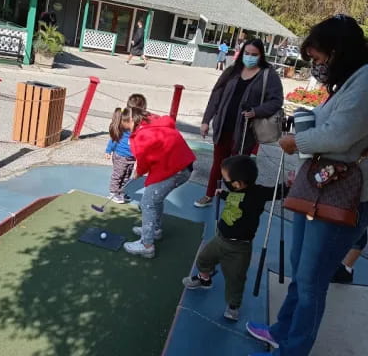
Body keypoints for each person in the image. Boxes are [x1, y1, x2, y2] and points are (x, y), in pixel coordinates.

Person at [246, 15, 368, 356]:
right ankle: (282, 331)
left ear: (337, 51)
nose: (317, 66)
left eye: (318, 59)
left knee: (312, 282)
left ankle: (294, 348)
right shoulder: (349, 82)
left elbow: (339, 135)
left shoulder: (366, 81)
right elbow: (331, 130)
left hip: (343, 198)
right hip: (317, 187)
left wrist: (296, 142)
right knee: (302, 270)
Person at [183, 156, 291, 321]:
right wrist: (224, 194)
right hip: (220, 239)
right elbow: (235, 198)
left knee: (236, 278)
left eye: (225, 179)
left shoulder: (259, 193)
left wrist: (288, 185)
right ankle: (204, 279)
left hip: (240, 248)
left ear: (238, 183)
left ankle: (233, 305)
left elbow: (276, 192)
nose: (223, 181)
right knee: (204, 259)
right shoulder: (234, 189)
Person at [194, 38, 284, 208]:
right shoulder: (232, 71)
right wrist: (206, 120)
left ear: (261, 56)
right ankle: (209, 195)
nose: (249, 57)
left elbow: (276, 101)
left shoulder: (268, 74)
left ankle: (233, 202)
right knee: (218, 165)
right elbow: (216, 96)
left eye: (254, 55)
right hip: (223, 127)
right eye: (247, 53)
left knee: (239, 170)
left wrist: (257, 111)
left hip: (245, 132)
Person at [123, 107, 196, 258]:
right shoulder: (153, 122)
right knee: (156, 198)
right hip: (182, 166)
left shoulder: (142, 134)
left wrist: (139, 172)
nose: (126, 129)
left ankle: (147, 245)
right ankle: (154, 230)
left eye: (125, 125)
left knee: (147, 202)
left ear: (131, 121)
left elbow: (143, 159)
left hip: (175, 169)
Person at [105, 108, 135, 204]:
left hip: (131, 158)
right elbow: (113, 141)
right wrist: (108, 151)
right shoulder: (121, 131)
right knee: (118, 175)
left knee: (126, 176)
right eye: (133, 121)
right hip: (120, 157)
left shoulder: (136, 131)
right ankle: (113, 192)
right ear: (125, 122)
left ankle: (120, 192)